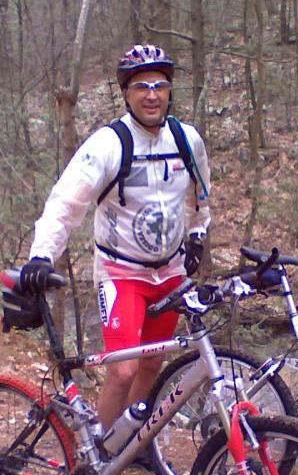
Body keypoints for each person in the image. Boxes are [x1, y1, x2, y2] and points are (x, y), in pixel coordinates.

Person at [20, 44, 212, 435]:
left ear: (170, 89)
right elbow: (65, 203)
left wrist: (197, 233)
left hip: (171, 273)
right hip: (120, 273)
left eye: (160, 84)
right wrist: (41, 256)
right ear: (126, 93)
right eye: (141, 85)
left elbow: (200, 194)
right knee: (123, 369)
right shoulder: (108, 145)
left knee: (152, 364)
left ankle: (130, 441)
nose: (152, 94)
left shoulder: (187, 140)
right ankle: (99, 453)